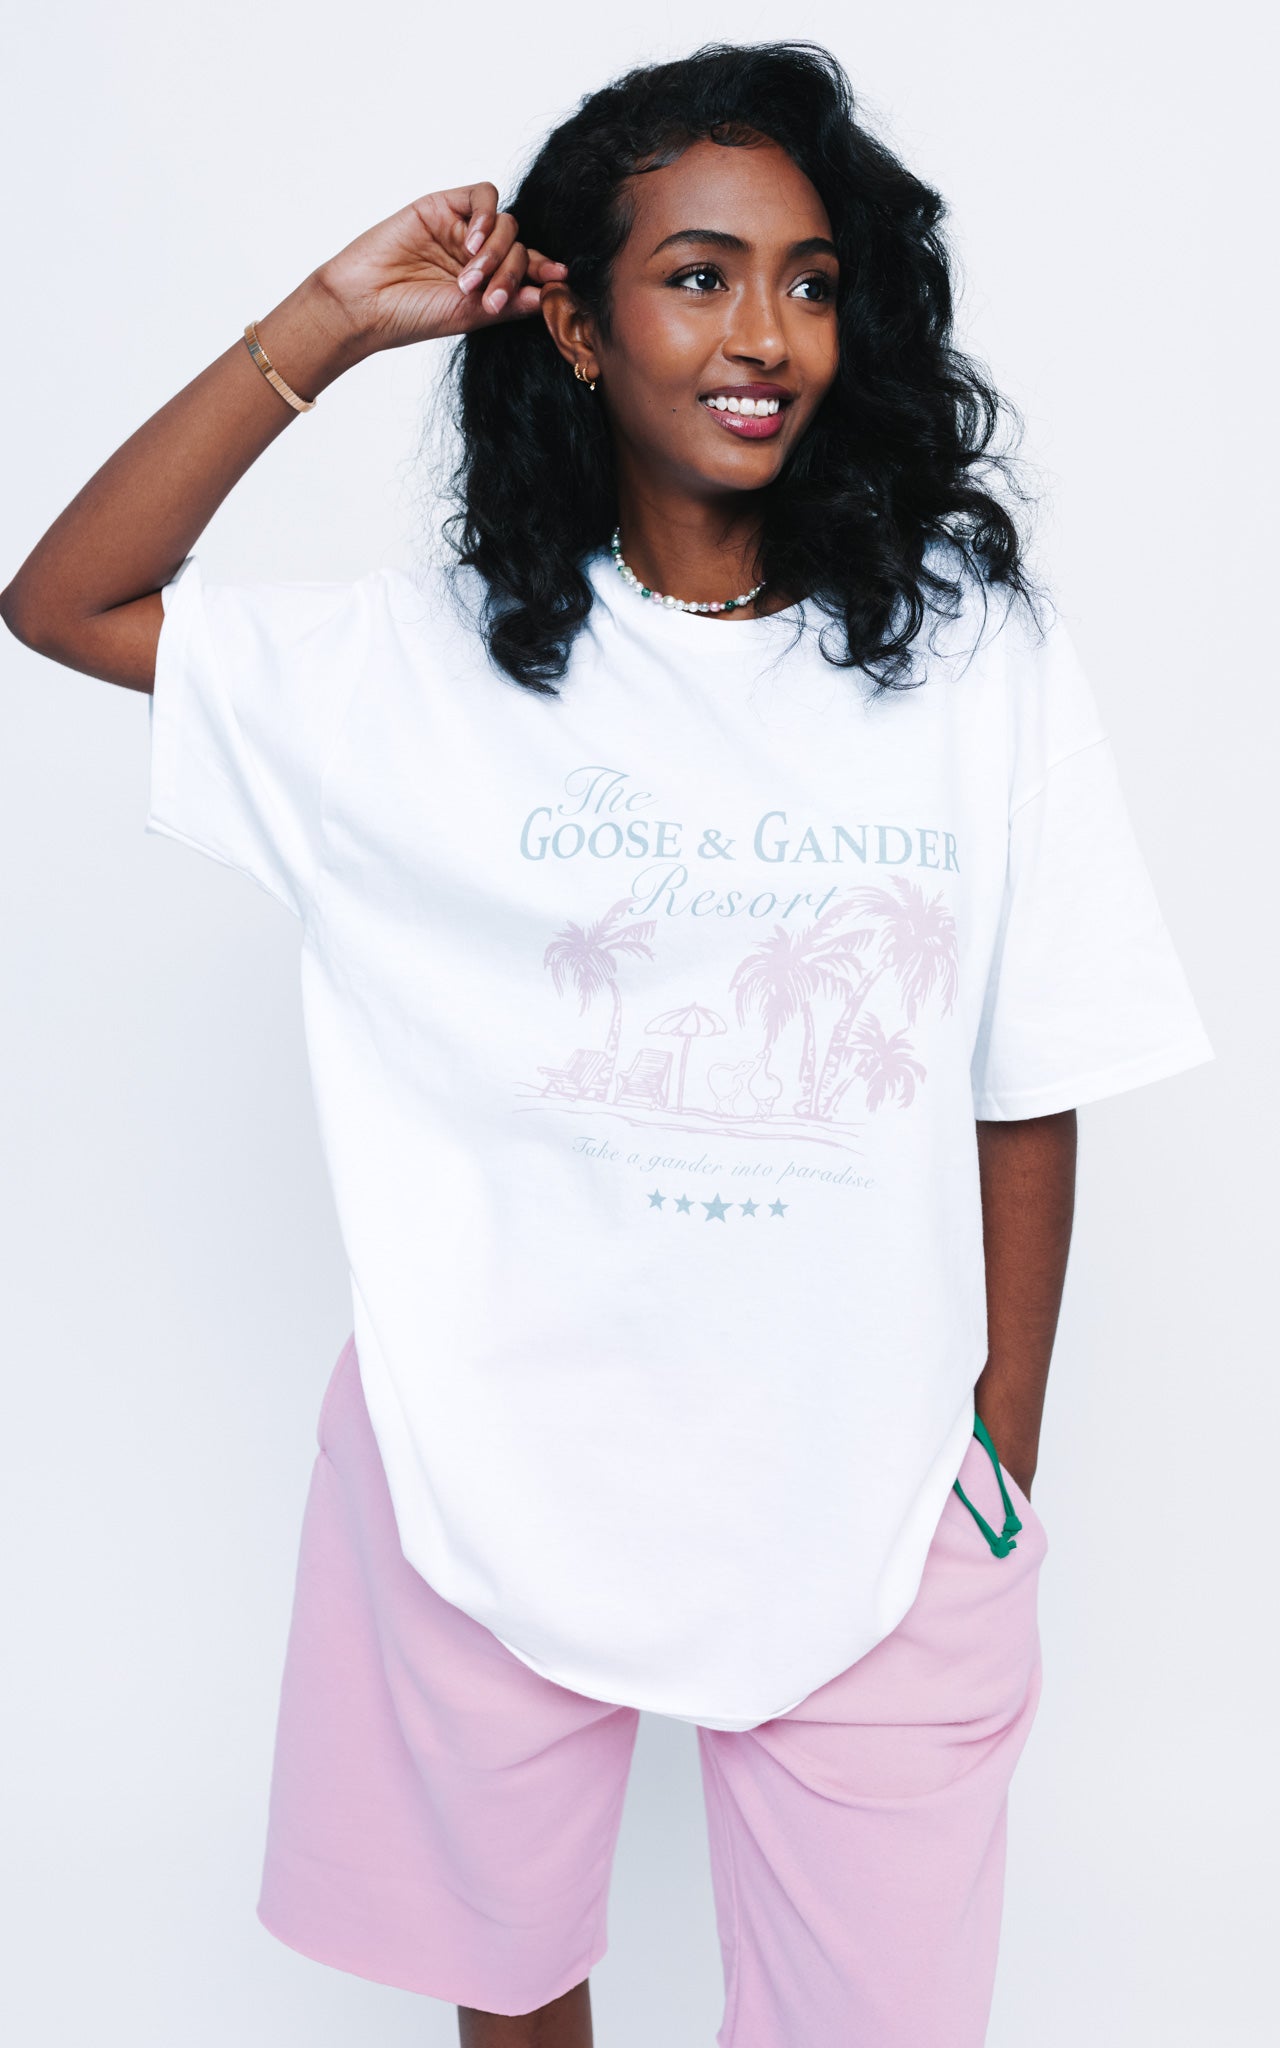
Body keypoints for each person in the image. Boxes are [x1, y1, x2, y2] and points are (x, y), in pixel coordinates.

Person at [0, 38, 1215, 2048]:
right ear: (573, 321)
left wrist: (996, 1451)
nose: (765, 338)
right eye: (698, 276)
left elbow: (1033, 1063)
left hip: (870, 1476)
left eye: (809, 282)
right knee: (510, 1989)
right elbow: (63, 599)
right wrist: (331, 318)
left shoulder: (969, 656)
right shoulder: (421, 669)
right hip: (486, 1455)